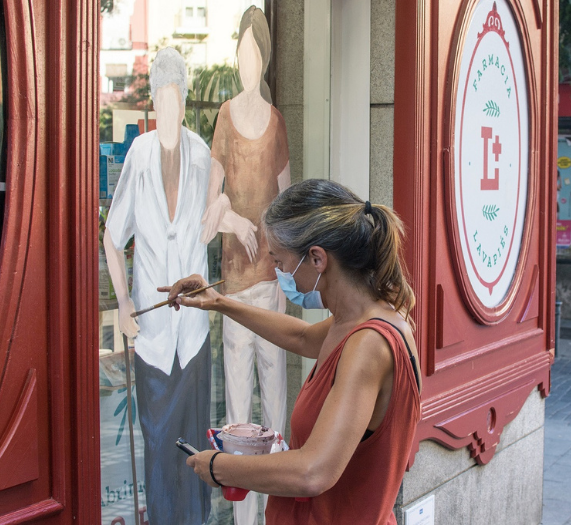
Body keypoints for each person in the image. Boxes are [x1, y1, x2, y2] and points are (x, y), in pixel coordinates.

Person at [162, 179, 422, 524]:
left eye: (280, 260)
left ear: (317, 258)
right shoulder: (359, 319)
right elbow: (301, 337)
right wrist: (220, 303)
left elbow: (312, 472)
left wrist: (220, 466)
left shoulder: (369, 343)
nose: (277, 271)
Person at [104, 47, 212, 524]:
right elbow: (112, 238)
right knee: (157, 447)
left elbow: (212, 226)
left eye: (175, 99)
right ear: (152, 103)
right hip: (151, 338)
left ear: (184, 102)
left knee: (196, 452)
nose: (168, 110)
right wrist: (125, 302)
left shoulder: (203, 153)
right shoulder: (140, 154)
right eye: (160, 101)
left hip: (193, 337)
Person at [199, 7, 291, 523]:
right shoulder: (224, 118)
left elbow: (288, 205)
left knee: (274, 402)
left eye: (253, 54)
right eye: (240, 55)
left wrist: (285, 270)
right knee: (238, 413)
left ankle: (276, 512)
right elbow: (207, 209)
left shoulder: (275, 122)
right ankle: (241, 517)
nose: (245, 64)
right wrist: (231, 217)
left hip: (272, 283)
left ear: (265, 58)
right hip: (234, 286)